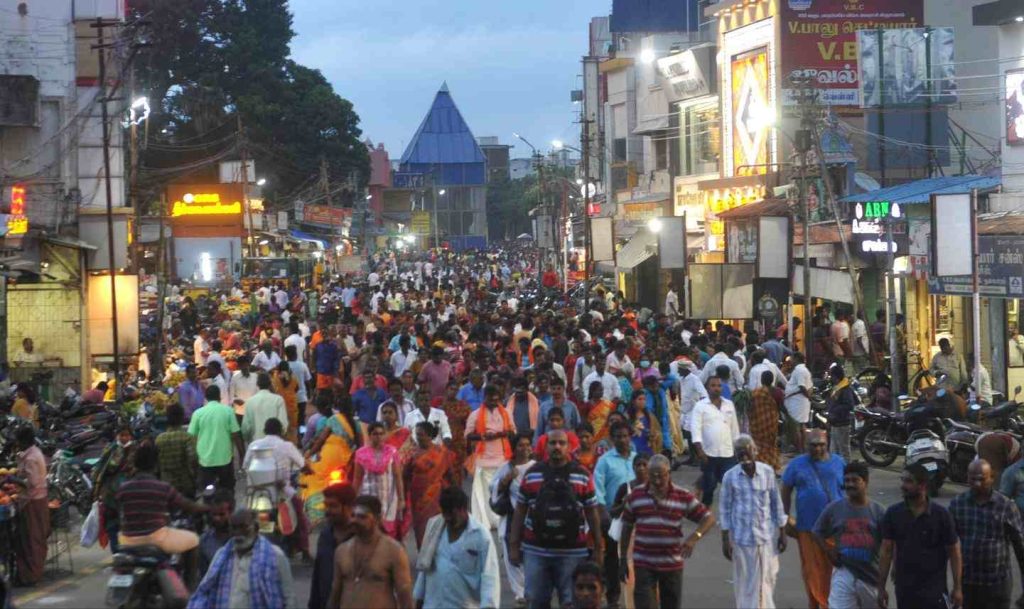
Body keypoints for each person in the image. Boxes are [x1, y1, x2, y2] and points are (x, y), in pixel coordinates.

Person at [510, 429, 604, 609]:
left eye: (562, 443)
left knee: (571, 602)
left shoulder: (582, 475)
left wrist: (599, 548)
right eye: (553, 443)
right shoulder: (531, 474)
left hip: (573, 552)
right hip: (536, 551)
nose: (557, 447)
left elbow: (592, 512)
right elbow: (520, 511)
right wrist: (514, 546)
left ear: (569, 446)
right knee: (536, 601)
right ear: (545, 446)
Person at [619, 454, 715, 609]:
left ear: (669, 473)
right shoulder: (636, 495)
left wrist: (693, 539)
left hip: (671, 564)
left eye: (661, 476)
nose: (657, 481)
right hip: (644, 563)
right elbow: (626, 527)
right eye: (653, 476)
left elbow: (708, 519)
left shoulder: (682, 495)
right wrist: (623, 558)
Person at [878, 464, 963, 609]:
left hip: (934, 591)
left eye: (908, 481)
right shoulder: (893, 513)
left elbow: (954, 552)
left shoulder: (941, 515)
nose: (903, 485)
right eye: (902, 480)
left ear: (922, 485)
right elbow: (886, 551)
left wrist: (957, 588)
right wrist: (881, 588)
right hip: (905, 590)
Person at [719, 436, 787, 609]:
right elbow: (724, 509)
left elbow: (776, 503)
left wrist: (783, 533)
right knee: (744, 584)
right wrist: (725, 539)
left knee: (765, 581)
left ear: (755, 451)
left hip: (764, 538)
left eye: (747, 450)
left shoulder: (767, 472)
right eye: (740, 452)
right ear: (736, 455)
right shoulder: (730, 477)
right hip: (740, 540)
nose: (744, 455)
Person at [781, 429, 845, 609]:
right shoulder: (796, 465)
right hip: (807, 528)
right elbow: (786, 489)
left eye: (821, 445)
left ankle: (834, 604)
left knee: (835, 571)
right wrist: (785, 518)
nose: (817, 449)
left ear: (827, 444)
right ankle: (817, 604)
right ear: (805, 445)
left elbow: (850, 489)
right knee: (812, 571)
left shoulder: (839, 463)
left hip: (835, 528)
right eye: (813, 445)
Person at [949, 459, 1024, 609]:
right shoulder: (957, 505)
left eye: (982, 479)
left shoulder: (1006, 506)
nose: (977, 483)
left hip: (997, 584)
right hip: (968, 582)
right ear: (967, 477)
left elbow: (1020, 548)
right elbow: (947, 544)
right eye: (973, 478)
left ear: (992, 478)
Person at [811, 460, 885, 609]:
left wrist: (883, 585)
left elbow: (890, 545)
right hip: (844, 572)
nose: (850, 484)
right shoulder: (834, 508)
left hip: (870, 577)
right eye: (846, 481)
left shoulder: (879, 511)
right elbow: (816, 531)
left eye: (855, 480)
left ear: (866, 482)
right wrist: (828, 551)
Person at [188, 509, 295, 609]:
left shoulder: (275, 555)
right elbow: (205, 590)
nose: (238, 533)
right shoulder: (221, 555)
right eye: (234, 528)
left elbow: (289, 599)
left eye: (244, 527)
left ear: (256, 528)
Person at [413, 487, 501, 609]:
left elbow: (489, 577)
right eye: (445, 514)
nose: (448, 518)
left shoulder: (481, 536)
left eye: (452, 514)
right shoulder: (434, 526)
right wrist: (418, 600)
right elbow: (424, 566)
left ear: (463, 509)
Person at [328, 495, 414, 609]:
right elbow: (335, 592)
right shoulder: (342, 551)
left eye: (362, 517)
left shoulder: (394, 551)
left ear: (378, 519)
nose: (355, 521)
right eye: (353, 515)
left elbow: (404, 595)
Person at [243, 418, 310, 559]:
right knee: (301, 518)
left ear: (264, 431)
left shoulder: (254, 445)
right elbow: (303, 465)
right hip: (283, 493)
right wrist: (309, 470)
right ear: (281, 431)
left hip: (257, 495)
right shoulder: (287, 446)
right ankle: (305, 551)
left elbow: (245, 467)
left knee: (249, 518)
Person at [489, 433, 535, 606]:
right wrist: (506, 479)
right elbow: (493, 488)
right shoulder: (506, 467)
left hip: (532, 519)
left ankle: (531, 588)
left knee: (530, 554)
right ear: (514, 449)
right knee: (512, 556)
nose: (525, 449)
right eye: (521, 445)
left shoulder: (536, 467)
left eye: (527, 445)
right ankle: (520, 592)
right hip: (511, 518)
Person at [593, 421, 635, 609]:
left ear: (630, 437)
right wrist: (603, 514)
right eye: (618, 436)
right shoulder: (605, 461)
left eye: (625, 436)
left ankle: (634, 596)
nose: (622, 440)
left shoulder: (637, 459)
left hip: (637, 519)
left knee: (634, 557)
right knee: (612, 558)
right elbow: (597, 489)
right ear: (612, 438)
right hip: (614, 517)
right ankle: (613, 597)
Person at [465, 385, 516, 530]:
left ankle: (500, 519)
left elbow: (513, 432)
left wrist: (502, 434)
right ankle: (486, 522)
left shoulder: (506, 413)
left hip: (502, 458)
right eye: (491, 399)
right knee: (484, 492)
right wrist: (482, 436)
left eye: (497, 399)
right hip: (483, 460)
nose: (494, 402)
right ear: (484, 398)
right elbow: (468, 435)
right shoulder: (475, 414)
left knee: (500, 490)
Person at [690, 376, 740, 506]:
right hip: (708, 454)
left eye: (718, 386)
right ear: (707, 388)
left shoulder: (729, 405)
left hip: (728, 453)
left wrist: (739, 449)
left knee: (731, 484)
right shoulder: (700, 406)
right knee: (710, 486)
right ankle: (705, 513)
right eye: (713, 385)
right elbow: (695, 429)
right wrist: (699, 451)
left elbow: (734, 429)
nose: (716, 388)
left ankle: (732, 514)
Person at [405, 421, 455, 548]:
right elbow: (405, 475)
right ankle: (423, 557)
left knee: (438, 524)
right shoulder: (412, 453)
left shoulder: (442, 452)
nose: (418, 438)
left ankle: (439, 555)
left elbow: (450, 474)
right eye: (416, 434)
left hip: (437, 495)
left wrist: (453, 494)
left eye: (421, 435)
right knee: (421, 527)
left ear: (429, 435)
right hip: (418, 497)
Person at [301, 393, 359, 500]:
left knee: (310, 474)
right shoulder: (357, 424)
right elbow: (360, 445)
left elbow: (320, 440)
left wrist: (309, 453)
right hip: (346, 463)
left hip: (328, 459)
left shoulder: (334, 419)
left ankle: (312, 500)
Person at [353, 422, 405, 539]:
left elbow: (397, 476)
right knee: (369, 529)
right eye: (375, 434)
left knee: (388, 532)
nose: (379, 437)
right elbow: (357, 479)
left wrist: (401, 499)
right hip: (369, 497)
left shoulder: (392, 452)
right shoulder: (361, 453)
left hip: (389, 497)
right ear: (369, 435)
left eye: (381, 434)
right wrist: (353, 500)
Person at [188, 385, 245, 492]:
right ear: (219, 397)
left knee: (206, 494)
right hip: (225, 460)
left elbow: (191, 437)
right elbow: (236, 434)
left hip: (205, 461)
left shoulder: (198, 413)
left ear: (206, 398)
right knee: (227, 491)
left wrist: (194, 458)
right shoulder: (228, 411)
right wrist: (242, 454)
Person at [309, 482, 356, 609]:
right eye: (326, 506)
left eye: (333, 506)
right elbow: (318, 577)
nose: (328, 511)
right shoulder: (325, 536)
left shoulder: (362, 537)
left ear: (349, 507)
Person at [11, 426, 48, 586]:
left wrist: (13, 480)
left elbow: (31, 483)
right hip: (39, 499)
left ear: (24, 440)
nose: (17, 443)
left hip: (32, 501)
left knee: (30, 539)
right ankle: (31, 573)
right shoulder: (35, 452)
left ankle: (30, 575)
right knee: (35, 537)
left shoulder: (31, 458)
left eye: (18, 440)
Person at [92, 425, 138, 553]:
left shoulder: (136, 449)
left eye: (126, 435)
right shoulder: (110, 449)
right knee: (113, 526)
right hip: (110, 495)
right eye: (121, 435)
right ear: (117, 436)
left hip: (129, 495)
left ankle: (128, 553)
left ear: (131, 436)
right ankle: (117, 554)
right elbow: (100, 470)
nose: (124, 438)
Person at [155, 403, 198, 498]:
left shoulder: (159, 439)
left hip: (166, 485)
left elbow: (156, 464)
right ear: (182, 418)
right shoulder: (187, 438)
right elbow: (193, 459)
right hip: (185, 485)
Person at [241, 373, 288, 444]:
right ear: (270, 384)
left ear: (257, 384)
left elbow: (246, 428)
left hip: (256, 444)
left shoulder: (250, 401)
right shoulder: (278, 400)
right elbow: (283, 424)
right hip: (275, 444)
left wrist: (248, 440)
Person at [197, 490, 234, 579]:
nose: (217, 518)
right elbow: (204, 576)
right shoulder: (204, 541)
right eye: (214, 514)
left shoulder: (240, 539)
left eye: (222, 514)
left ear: (231, 513)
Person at [749, 370, 781, 471]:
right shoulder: (777, 392)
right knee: (771, 446)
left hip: (757, 425)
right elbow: (781, 407)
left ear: (761, 380)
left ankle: (759, 467)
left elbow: (750, 408)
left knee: (759, 447)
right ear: (772, 380)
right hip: (771, 424)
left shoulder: (755, 393)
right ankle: (772, 468)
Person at [825, 365, 856, 462]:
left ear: (836, 376)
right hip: (835, 423)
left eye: (832, 376)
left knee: (843, 450)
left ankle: (846, 471)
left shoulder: (845, 388)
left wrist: (834, 410)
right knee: (834, 451)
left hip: (842, 423)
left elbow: (849, 405)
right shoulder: (838, 387)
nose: (831, 378)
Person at [783, 352, 812, 453]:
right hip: (800, 401)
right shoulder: (803, 370)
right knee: (801, 426)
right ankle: (802, 448)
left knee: (796, 427)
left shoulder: (799, 370)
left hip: (797, 402)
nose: (791, 360)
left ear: (796, 359)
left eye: (792, 358)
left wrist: (808, 396)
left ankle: (800, 449)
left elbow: (802, 386)